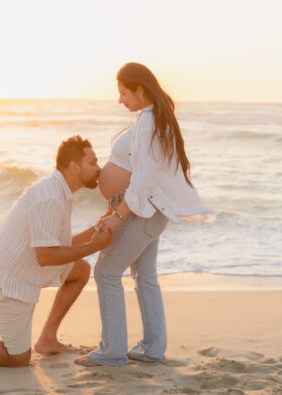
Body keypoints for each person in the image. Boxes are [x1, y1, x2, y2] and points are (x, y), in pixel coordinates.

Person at [0, 136, 114, 367]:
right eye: (93, 162)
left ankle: (47, 340)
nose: (99, 168)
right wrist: (95, 246)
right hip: (7, 281)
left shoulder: (59, 192)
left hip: (24, 269)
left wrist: (95, 229)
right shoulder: (50, 198)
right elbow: (45, 256)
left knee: (80, 270)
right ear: (74, 167)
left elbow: (56, 245)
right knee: (16, 359)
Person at [76, 62, 208, 367]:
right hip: (149, 209)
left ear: (140, 89)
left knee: (106, 273)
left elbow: (145, 178)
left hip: (142, 210)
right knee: (145, 276)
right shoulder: (153, 118)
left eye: (123, 93)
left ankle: (112, 352)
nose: (120, 100)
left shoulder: (150, 122)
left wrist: (119, 214)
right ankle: (152, 348)